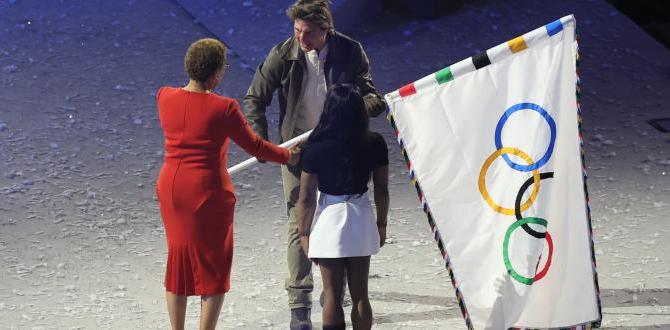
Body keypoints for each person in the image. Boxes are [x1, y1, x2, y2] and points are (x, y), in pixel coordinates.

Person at [243, 1, 386, 327]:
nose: (301, 39)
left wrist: (368, 104)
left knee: (345, 213)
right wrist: (267, 146)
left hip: (340, 145)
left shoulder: (350, 51)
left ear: (326, 30)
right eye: (297, 32)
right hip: (298, 150)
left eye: (308, 33)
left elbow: (367, 92)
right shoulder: (284, 54)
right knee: (300, 223)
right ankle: (299, 301)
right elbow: (255, 99)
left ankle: (339, 289)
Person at [155, 38, 299, 330]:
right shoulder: (224, 108)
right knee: (214, 267)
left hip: (171, 188)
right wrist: (287, 156)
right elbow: (256, 147)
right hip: (206, 194)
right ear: (217, 73)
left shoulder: (164, 96)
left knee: (178, 260)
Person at [297, 84, 389, 330]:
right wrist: (381, 224)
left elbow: (305, 196)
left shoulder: (315, 145)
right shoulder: (375, 142)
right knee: (361, 294)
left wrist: (303, 232)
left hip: (329, 218)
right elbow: (382, 188)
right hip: (361, 217)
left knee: (332, 295)